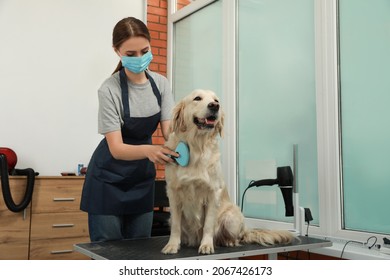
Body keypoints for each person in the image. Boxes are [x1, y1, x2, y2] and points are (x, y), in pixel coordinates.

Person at [80, 17, 178, 242]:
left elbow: (169, 133)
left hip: (141, 181)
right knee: (109, 254)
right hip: (107, 180)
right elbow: (116, 148)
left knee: (140, 252)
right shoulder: (109, 89)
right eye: (131, 54)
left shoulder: (161, 84)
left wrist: (192, 138)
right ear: (117, 52)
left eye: (144, 51)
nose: (139, 58)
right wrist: (150, 151)